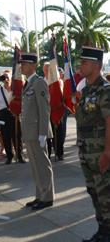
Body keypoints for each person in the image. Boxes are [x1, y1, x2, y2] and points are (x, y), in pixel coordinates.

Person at [75, 47, 110, 242]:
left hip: (99, 152)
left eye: (84, 63)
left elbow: (109, 121)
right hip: (86, 150)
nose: (80, 66)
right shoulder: (87, 89)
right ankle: (102, 230)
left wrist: (108, 151)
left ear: (96, 65)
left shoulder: (105, 90)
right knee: (94, 192)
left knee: (106, 194)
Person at [20, 53, 54, 210]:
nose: (22, 66)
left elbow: (44, 109)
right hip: (29, 132)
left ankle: (47, 197)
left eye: (25, 64)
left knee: (42, 165)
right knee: (35, 166)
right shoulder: (28, 83)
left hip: (37, 132)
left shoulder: (39, 82)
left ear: (33, 65)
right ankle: (40, 195)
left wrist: (43, 133)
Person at [0, 71, 25, 164]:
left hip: (14, 114)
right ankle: (9, 156)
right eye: (4, 78)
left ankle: (19, 156)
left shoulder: (15, 89)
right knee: (6, 137)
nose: (6, 80)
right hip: (3, 115)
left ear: (11, 79)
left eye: (8, 78)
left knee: (17, 136)